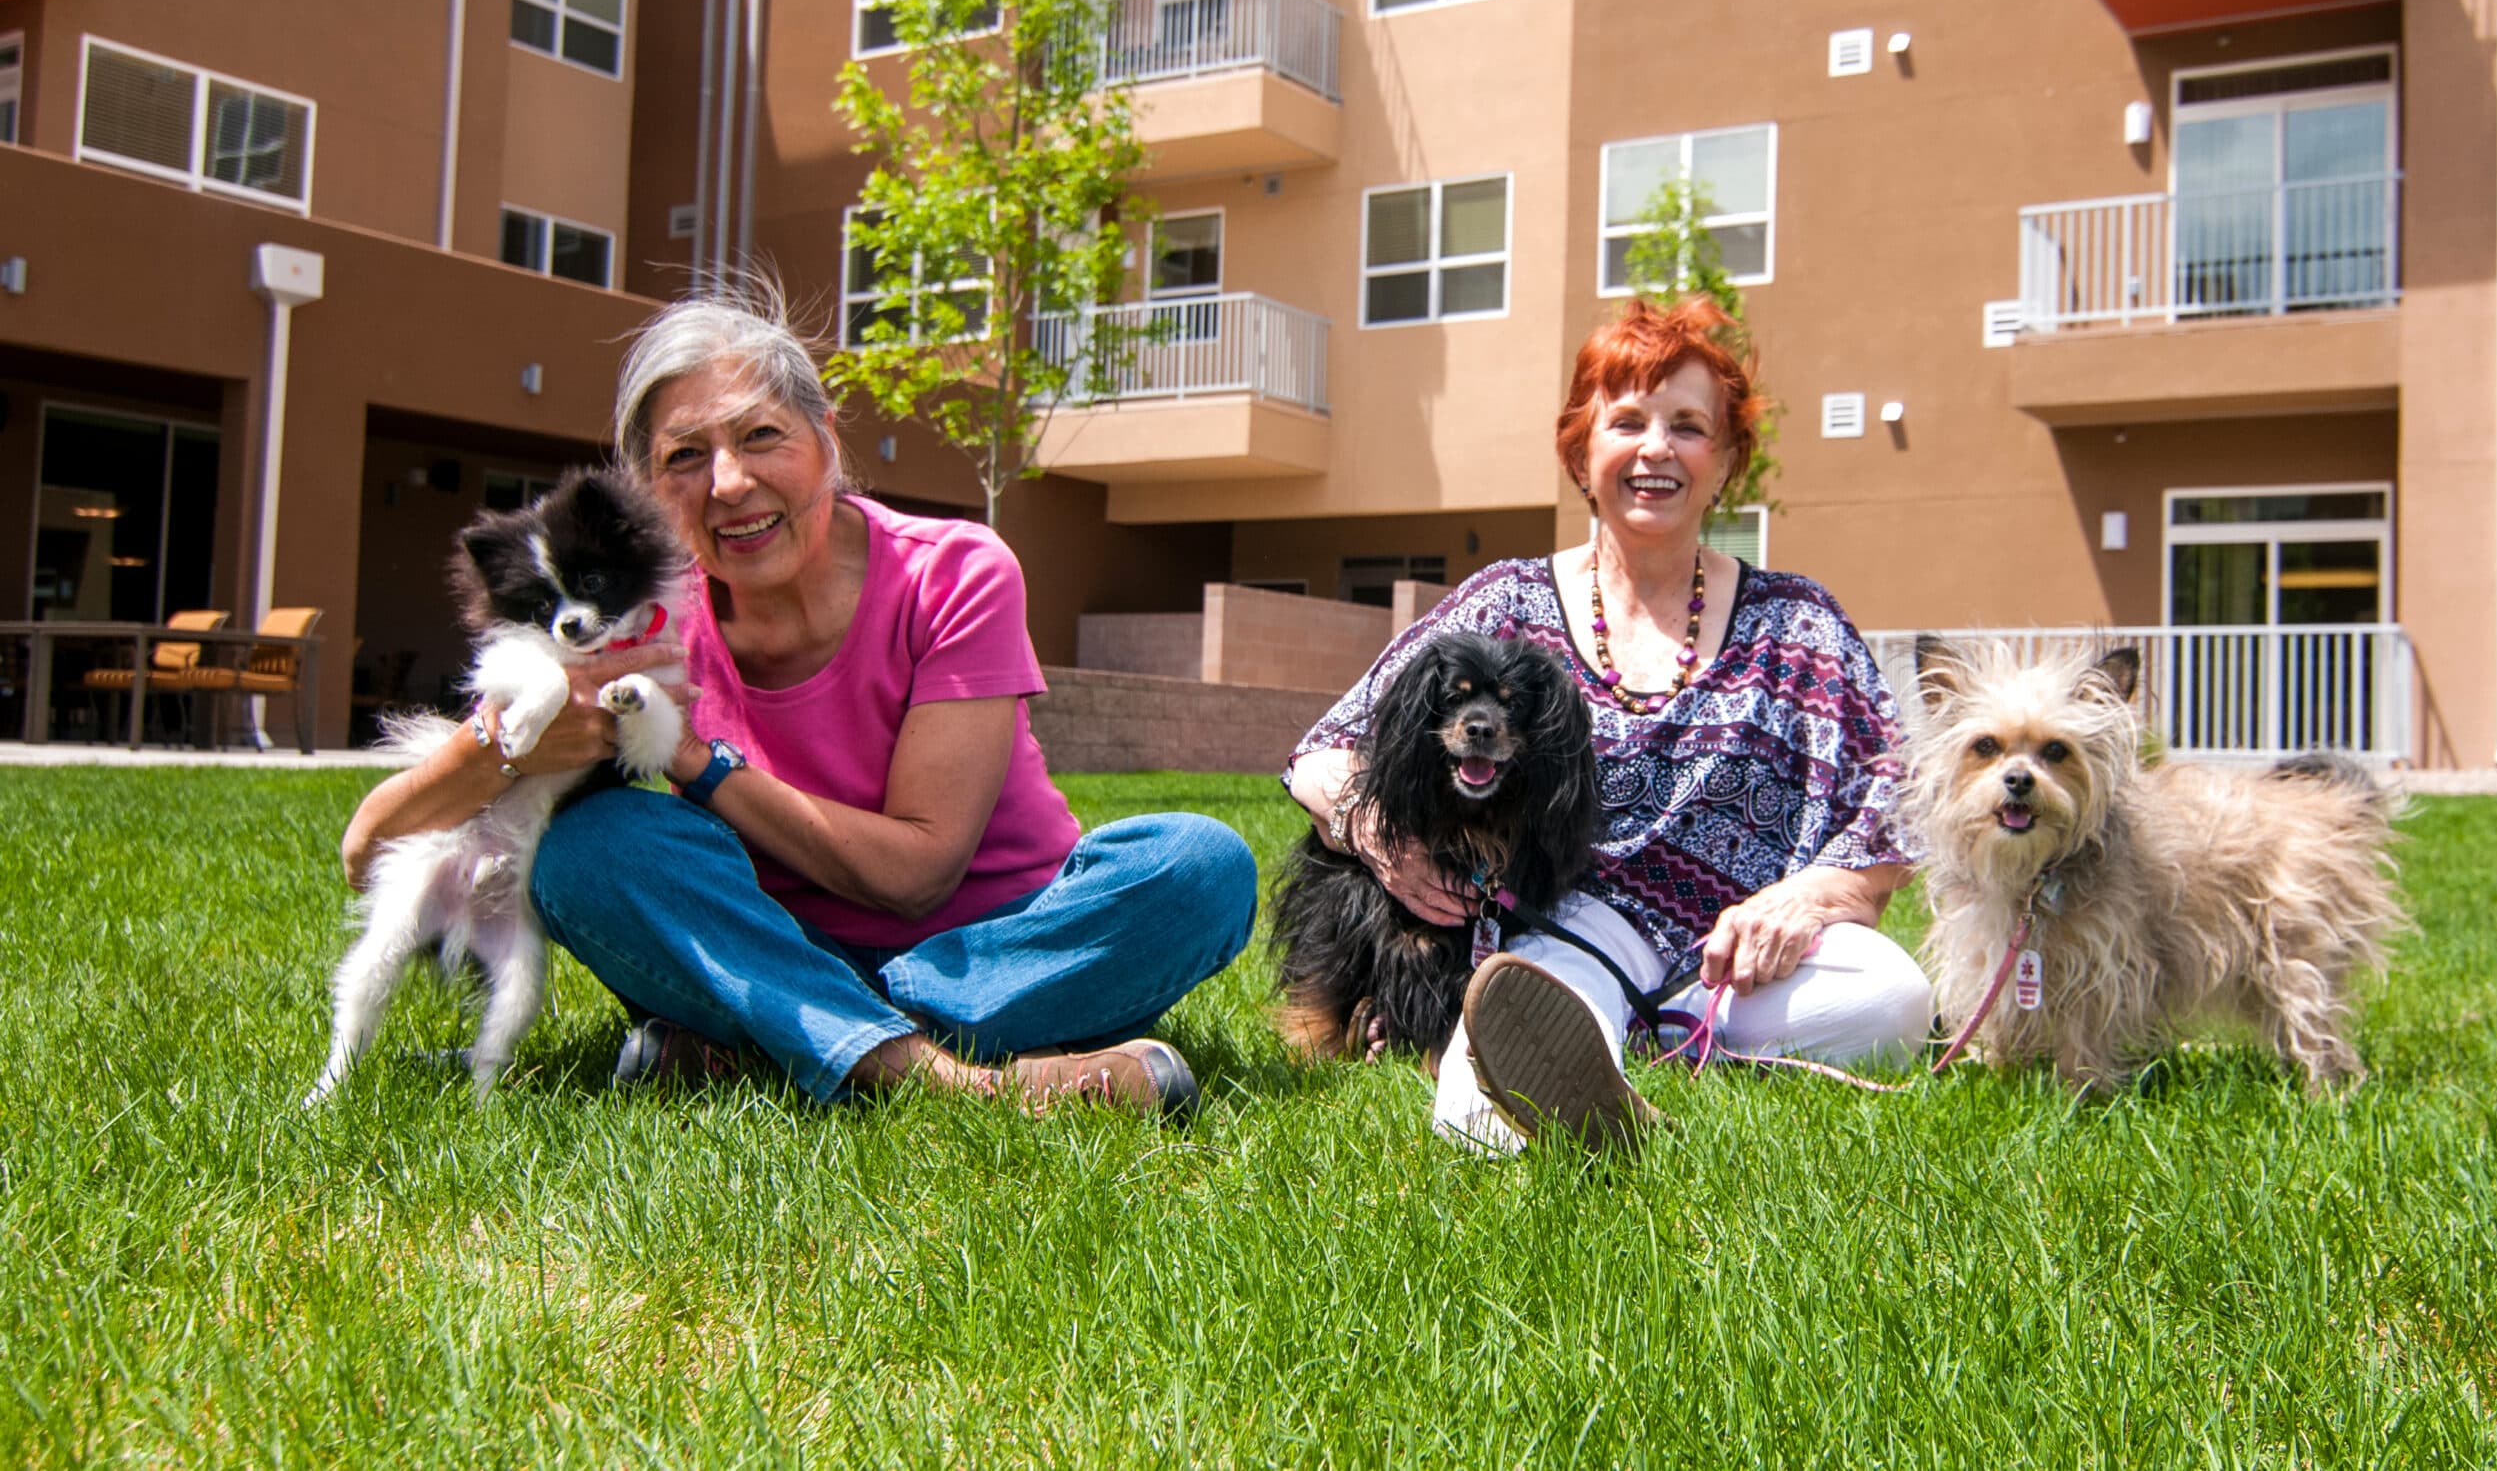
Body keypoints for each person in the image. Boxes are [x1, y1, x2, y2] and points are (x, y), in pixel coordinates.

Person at [341, 291, 1257, 1117]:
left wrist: (695, 760)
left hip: (1003, 947)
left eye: (762, 436)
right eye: (684, 458)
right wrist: (507, 752)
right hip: (769, 939)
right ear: (645, 496)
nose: (728, 482)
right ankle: (955, 1081)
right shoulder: (634, 624)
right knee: (585, 851)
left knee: (1198, 865)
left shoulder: (955, 573)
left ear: (826, 437)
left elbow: (916, 874)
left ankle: (773, 1042)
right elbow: (366, 849)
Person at [1286, 296, 1934, 1152]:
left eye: (1689, 426)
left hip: (1731, 956)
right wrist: (1382, 839)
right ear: (1582, 451)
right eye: (1627, 421)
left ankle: (1637, 1044)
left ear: (1728, 458)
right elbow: (1321, 755)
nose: (1657, 449)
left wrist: (1808, 897)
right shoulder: (1505, 600)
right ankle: (1587, 1048)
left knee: (1892, 999)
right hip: (1567, 927)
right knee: (1483, 1109)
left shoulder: (1800, 625)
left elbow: (1897, 799)